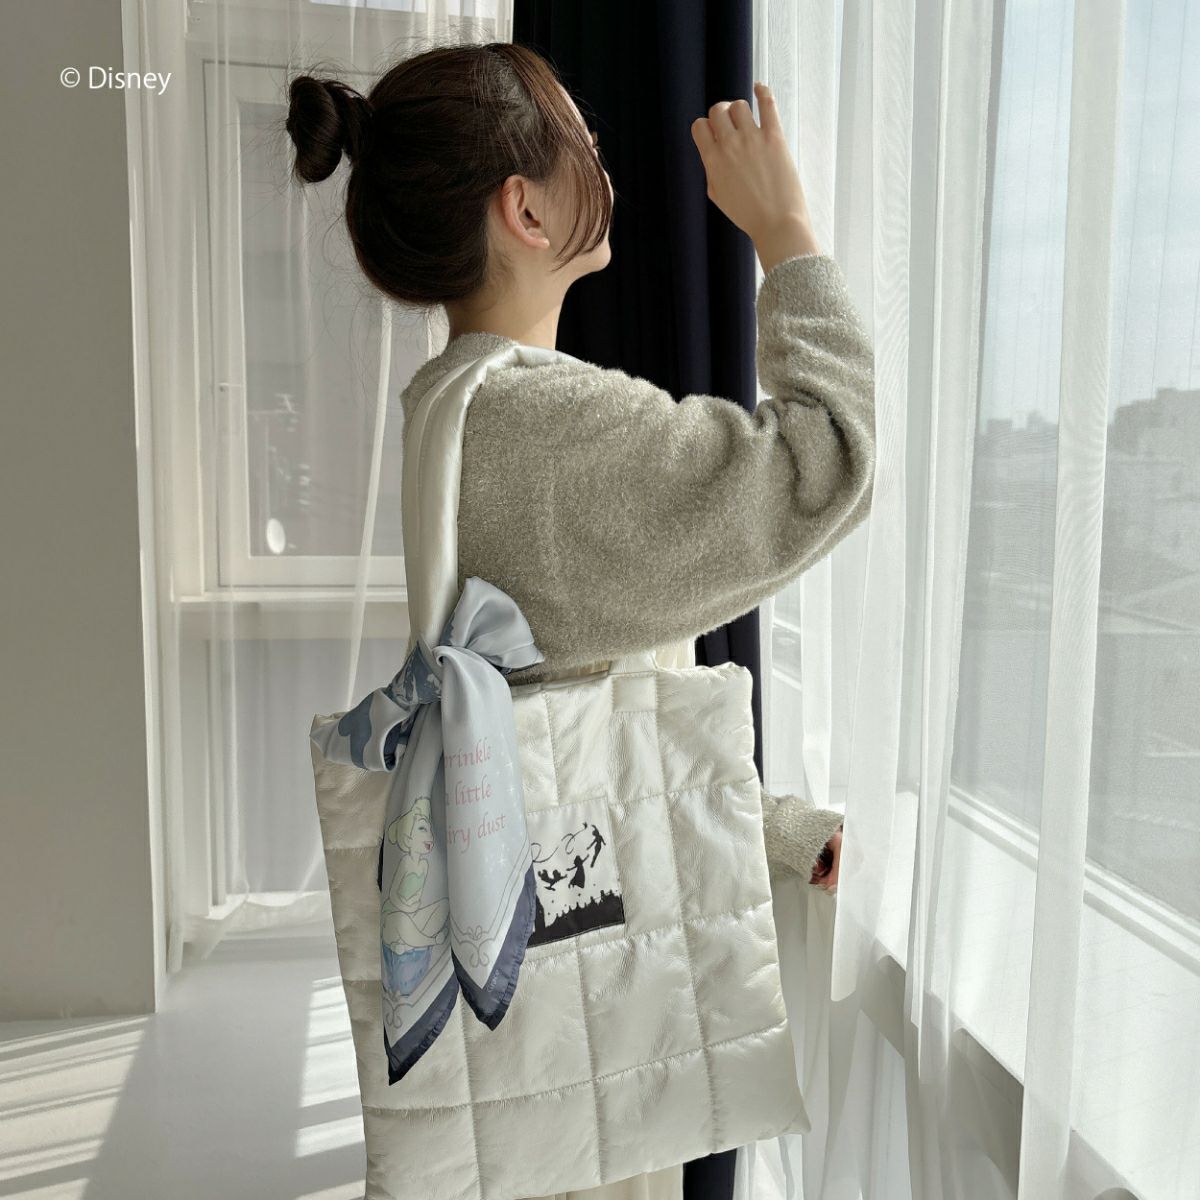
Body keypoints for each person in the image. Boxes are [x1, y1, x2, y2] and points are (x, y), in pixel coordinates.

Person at [287, 40, 870, 1200]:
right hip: (586, 1013)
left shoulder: (448, 404)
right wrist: (788, 234)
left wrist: (773, 830)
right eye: (583, 143)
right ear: (526, 209)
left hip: (530, 990)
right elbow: (824, 466)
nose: (603, 161)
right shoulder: (544, 431)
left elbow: (570, 706)